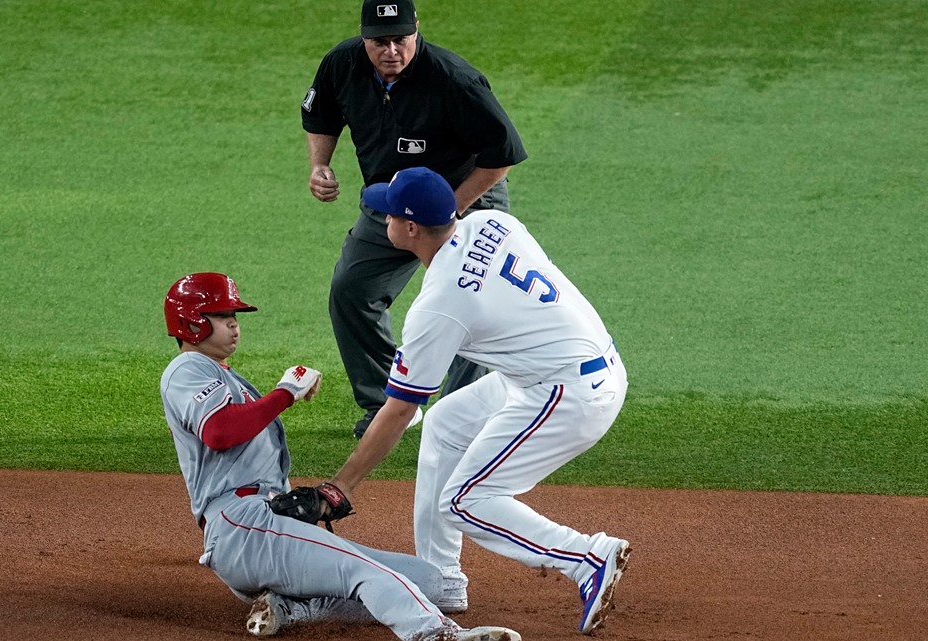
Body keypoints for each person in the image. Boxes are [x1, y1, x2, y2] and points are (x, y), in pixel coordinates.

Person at [272, 168, 632, 635]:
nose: (382, 218)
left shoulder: (439, 304)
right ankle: (441, 580)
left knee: (464, 500)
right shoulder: (491, 223)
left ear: (410, 229)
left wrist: (338, 488)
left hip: (568, 393)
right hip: (570, 365)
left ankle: (586, 556)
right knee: (445, 423)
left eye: (389, 213)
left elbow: (399, 410)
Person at [158, 272, 521, 641]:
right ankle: (434, 633)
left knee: (430, 581)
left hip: (268, 520)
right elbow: (219, 432)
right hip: (242, 528)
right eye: (222, 316)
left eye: (234, 316)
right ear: (191, 322)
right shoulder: (186, 369)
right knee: (362, 571)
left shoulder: (220, 375)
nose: (234, 325)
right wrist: (285, 393)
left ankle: (296, 608)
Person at [301, 0, 528, 438]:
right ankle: (389, 405)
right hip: (392, 196)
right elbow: (320, 115)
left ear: (416, 30)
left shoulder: (453, 79)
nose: (390, 50)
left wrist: (448, 210)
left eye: (399, 39)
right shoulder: (342, 63)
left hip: (468, 196)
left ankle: (463, 414)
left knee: (472, 297)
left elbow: (500, 157)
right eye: (379, 41)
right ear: (363, 37)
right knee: (353, 290)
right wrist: (319, 166)